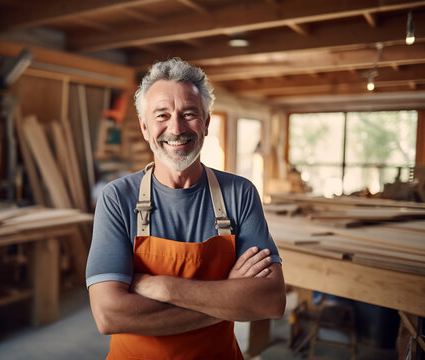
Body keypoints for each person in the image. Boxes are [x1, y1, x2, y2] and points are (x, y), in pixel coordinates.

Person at [86, 58, 286, 359]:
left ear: (206, 122)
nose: (176, 128)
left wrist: (165, 288)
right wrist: (227, 295)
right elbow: (109, 316)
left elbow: (270, 301)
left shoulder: (240, 194)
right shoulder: (117, 198)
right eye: (162, 115)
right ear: (144, 127)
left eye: (189, 114)